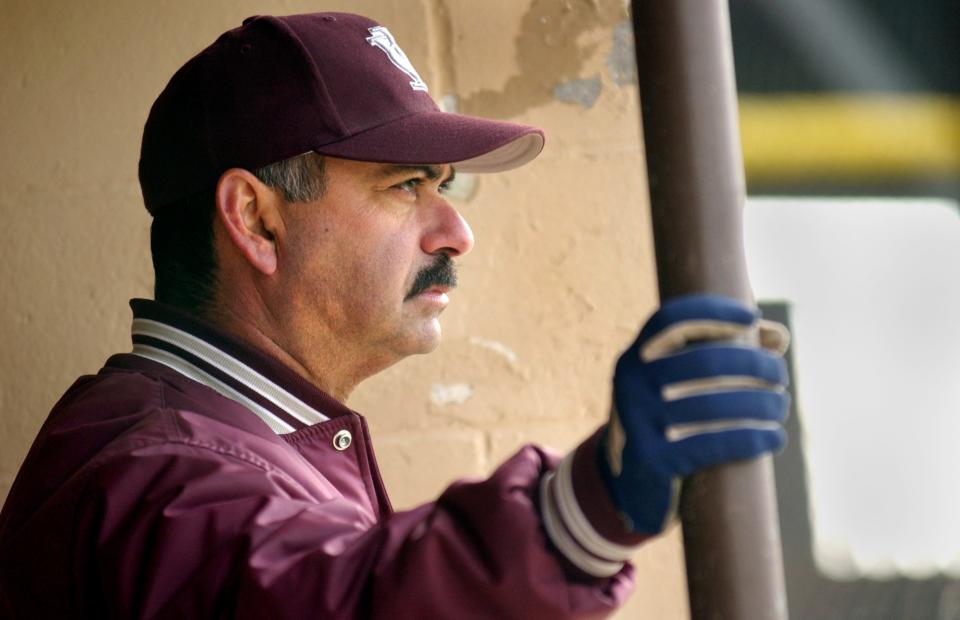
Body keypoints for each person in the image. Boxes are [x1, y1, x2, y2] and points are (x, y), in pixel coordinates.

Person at [0, 12, 789, 619]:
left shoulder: (234, 436)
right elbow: (340, 600)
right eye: (405, 185)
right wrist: (584, 507)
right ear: (257, 219)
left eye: (444, 186)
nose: (457, 232)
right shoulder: (151, 478)